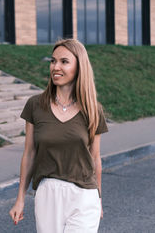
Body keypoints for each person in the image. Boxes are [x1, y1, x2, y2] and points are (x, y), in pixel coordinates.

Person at [9, 39, 109, 232]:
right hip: (48, 194)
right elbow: (29, 154)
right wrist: (20, 198)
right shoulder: (35, 105)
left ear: (79, 67)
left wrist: (99, 198)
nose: (56, 66)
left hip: (84, 196)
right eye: (53, 61)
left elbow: (95, 158)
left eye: (64, 61)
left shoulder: (93, 110)